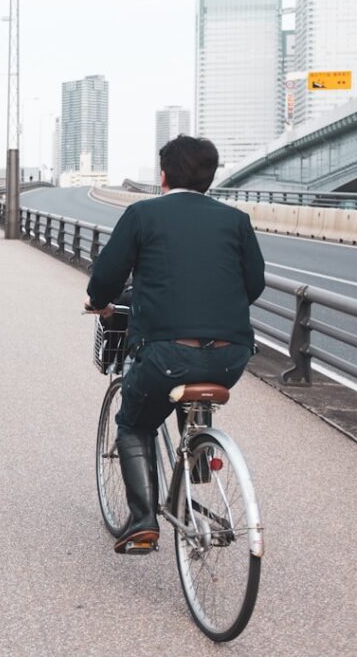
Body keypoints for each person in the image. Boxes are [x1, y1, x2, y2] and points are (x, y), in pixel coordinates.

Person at [84, 135, 265, 555]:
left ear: (163, 175)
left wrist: (96, 301)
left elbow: (108, 276)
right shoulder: (236, 220)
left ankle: (143, 521)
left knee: (135, 422)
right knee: (192, 378)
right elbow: (252, 284)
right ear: (209, 176)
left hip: (167, 354)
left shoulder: (142, 214)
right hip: (232, 356)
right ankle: (197, 457)